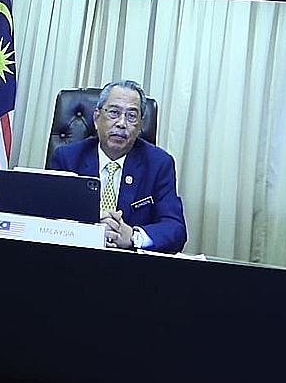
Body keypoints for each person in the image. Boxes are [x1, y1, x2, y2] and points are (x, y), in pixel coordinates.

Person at [48, 79, 187, 253]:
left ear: (140, 126)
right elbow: (50, 217)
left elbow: (175, 228)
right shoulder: (67, 158)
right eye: (114, 112)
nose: (122, 123)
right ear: (97, 118)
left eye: (131, 116)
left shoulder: (159, 164)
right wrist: (90, 227)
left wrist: (133, 236)